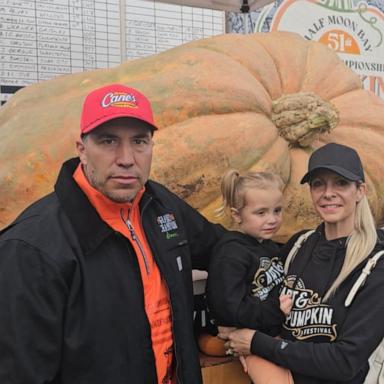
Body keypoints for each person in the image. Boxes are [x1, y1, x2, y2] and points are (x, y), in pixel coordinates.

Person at [0, 84, 224, 384]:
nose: (127, 158)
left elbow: (221, 247)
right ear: (81, 148)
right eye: (108, 141)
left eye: (139, 141)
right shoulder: (31, 248)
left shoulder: (160, 206)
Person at [220, 143, 384, 384]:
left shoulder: (375, 264)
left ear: (360, 191)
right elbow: (255, 280)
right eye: (318, 183)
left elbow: (344, 362)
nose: (328, 193)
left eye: (341, 183)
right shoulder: (299, 246)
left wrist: (256, 342)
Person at [206, 170, 292, 381]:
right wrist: (276, 310)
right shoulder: (231, 253)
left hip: (273, 334)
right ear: (237, 215)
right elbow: (229, 309)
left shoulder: (270, 247)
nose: (272, 219)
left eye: (277, 210)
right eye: (261, 213)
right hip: (245, 339)